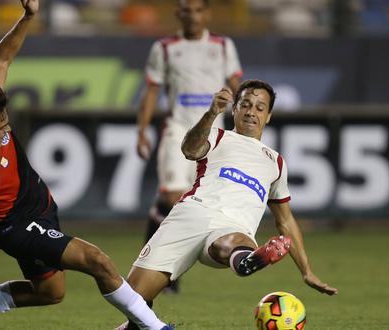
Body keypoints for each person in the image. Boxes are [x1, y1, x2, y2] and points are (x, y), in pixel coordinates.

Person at [0, 1, 173, 330]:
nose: (7, 130)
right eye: (1, 128)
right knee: (98, 261)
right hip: (16, 229)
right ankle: (155, 328)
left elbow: (2, 58)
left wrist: (28, 17)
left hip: (41, 209)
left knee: (50, 292)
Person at [119, 80, 338, 329]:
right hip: (191, 214)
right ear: (234, 109)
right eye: (245, 104)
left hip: (232, 227)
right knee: (133, 301)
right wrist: (212, 113)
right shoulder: (216, 134)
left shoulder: (276, 162)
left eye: (259, 107)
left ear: (268, 116)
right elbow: (190, 150)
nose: (251, 112)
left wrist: (306, 271)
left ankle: (247, 260)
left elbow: (285, 220)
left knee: (234, 242)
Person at [136, 0, 242, 293]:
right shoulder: (165, 48)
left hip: (214, 134)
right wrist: (142, 130)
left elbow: (238, 85)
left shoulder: (222, 46)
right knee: (175, 197)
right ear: (178, 14)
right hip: (179, 130)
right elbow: (152, 91)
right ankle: (169, 268)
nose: (192, 16)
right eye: (186, 10)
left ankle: (162, 265)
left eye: (198, 10)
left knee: (190, 202)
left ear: (207, 13)